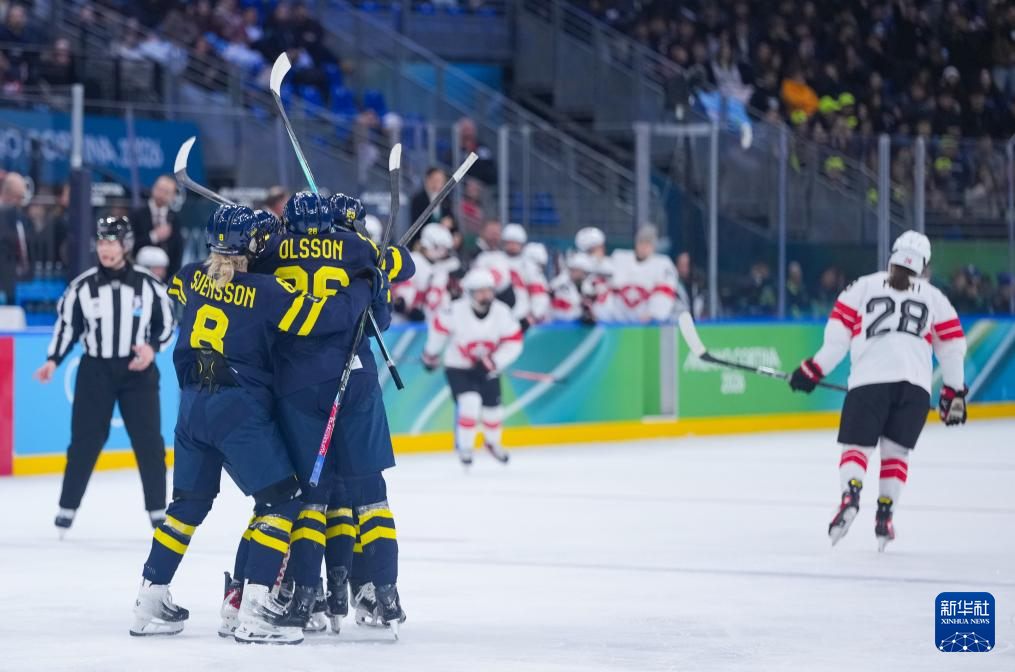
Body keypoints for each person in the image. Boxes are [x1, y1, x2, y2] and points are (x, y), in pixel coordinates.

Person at [130, 204, 381, 644]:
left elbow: (185, 288)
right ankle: (255, 611)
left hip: (193, 407)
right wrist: (364, 283)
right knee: (282, 501)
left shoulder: (190, 276)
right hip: (238, 409)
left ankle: (149, 599)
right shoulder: (267, 291)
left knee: (187, 506)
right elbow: (330, 318)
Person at [245, 192, 414, 637]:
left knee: (313, 498)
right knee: (371, 493)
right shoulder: (357, 248)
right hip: (355, 377)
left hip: (298, 383)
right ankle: (387, 593)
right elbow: (389, 300)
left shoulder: (273, 251)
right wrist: (381, 266)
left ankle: (306, 596)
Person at [788, 231, 967, 552]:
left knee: (857, 448)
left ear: (893, 255)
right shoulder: (935, 297)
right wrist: (954, 392)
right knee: (896, 454)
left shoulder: (862, 286)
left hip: (869, 382)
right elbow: (952, 347)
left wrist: (811, 371)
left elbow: (836, 342)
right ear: (924, 264)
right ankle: (885, 516)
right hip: (915, 388)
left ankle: (850, 496)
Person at [33, 217, 175, 534]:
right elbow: (67, 328)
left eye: (112, 242)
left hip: (138, 371)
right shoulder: (81, 287)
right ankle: (67, 507)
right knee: (85, 441)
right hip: (95, 371)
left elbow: (166, 324)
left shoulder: (149, 285)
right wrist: (53, 360)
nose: (105, 249)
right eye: (101, 242)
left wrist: (152, 348)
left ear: (125, 246)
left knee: (149, 441)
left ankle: (157, 509)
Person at [422, 268, 523, 466]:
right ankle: (465, 447)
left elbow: (514, 342)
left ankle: (492, 443)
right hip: (458, 367)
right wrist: (431, 354)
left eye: (489, 290)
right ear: (469, 292)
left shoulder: (502, 312)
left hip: (487, 367)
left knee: (493, 409)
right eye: (480, 291)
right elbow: (438, 331)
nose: (486, 295)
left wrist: (493, 362)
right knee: (470, 402)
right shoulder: (455, 310)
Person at [606, 225, 678, 323]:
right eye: (641, 242)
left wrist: (654, 312)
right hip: (616, 324)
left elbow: (665, 292)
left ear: (653, 246)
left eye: (647, 243)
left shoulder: (663, 265)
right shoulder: (619, 259)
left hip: (646, 325)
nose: (643, 247)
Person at [393, 223, 458, 324]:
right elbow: (404, 289)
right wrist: (407, 307)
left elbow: (440, 293)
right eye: (441, 248)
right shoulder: (413, 260)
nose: (443, 252)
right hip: (403, 321)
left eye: (445, 249)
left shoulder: (441, 267)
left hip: (427, 321)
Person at [473, 223, 531, 326]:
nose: (512, 246)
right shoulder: (493, 259)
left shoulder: (529, 265)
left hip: (523, 314)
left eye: (516, 243)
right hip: (497, 312)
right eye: (509, 242)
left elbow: (536, 291)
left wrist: (534, 313)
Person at [130, 175, 184, 276]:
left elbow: (178, 251)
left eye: (166, 192)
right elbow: (130, 244)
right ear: (153, 188)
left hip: (166, 277)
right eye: (160, 189)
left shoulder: (175, 219)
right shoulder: (137, 214)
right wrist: (153, 236)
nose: (161, 194)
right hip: (139, 274)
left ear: (173, 196)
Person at [550, 252, 595, 322]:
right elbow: (559, 312)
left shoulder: (586, 285)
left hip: (577, 325)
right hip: (559, 324)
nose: (583, 274)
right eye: (574, 270)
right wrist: (581, 313)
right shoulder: (559, 284)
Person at [409, 167, 448, 238]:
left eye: (442, 181)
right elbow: (415, 224)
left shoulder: (446, 199)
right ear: (428, 180)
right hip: (424, 238)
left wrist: (450, 222)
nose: (439, 184)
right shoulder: (418, 199)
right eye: (436, 180)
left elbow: (452, 219)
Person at [522, 242, 551, 324]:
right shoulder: (532, 273)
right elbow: (539, 299)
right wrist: (534, 316)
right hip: (532, 321)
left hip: (534, 319)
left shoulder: (537, 275)